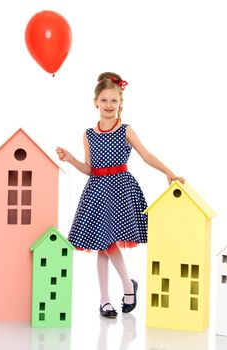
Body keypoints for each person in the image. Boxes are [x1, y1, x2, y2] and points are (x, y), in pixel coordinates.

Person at [56, 72, 185, 318]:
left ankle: (127, 287)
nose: (108, 105)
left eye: (113, 101)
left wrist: (169, 172)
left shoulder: (125, 130)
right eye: (104, 100)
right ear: (95, 102)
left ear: (121, 104)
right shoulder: (88, 134)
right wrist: (71, 159)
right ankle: (107, 299)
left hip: (120, 189)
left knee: (108, 244)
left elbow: (146, 155)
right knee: (102, 246)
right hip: (97, 190)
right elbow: (90, 168)